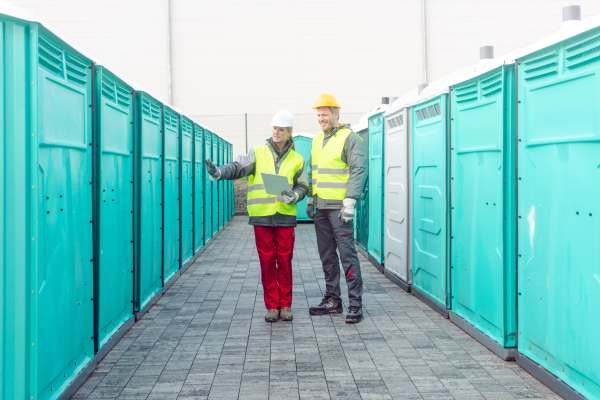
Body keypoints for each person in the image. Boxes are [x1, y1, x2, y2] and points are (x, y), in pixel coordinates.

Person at [205, 110, 308, 322]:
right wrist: (219, 173)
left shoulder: (298, 159)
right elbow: (238, 167)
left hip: (285, 216)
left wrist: (295, 196)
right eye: (275, 128)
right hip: (262, 217)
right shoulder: (259, 152)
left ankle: (286, 305)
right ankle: (272, 306)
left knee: (285, 261)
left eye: (281, 129)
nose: (277, 132)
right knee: (267, 261)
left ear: (289, 132)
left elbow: (303, 186)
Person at [307, 93, 367, 323]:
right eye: (318, 114)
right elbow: (316, 172)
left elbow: (358, 169)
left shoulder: (349, 138)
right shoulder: (316, 140)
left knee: (347, 255)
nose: (321, 118)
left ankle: (355, 304)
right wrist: (312, 199)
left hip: (340, 209)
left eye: (325, 114)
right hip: (321, 206)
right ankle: (333, 300)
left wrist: (350, 200)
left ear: (336, 114)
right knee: (327, 256)